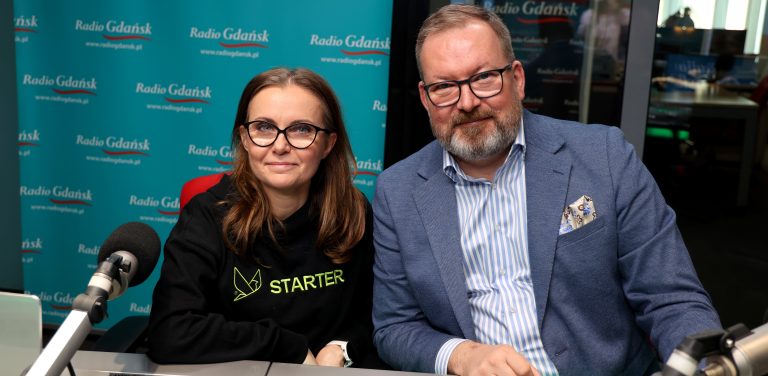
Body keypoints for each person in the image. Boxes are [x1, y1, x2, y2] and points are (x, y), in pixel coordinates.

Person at [371, 4, 721, 375]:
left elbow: (670, 297)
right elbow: (395, 327)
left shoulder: (605, 157)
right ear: (426, 98)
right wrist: (461, 355)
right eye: (444, 87)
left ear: (518, 78)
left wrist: (704, 365)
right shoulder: (398, 191)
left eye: (485, 77)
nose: (468, 102)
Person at [147, 67, 377, 368]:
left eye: (302, 129)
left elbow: (378, 316)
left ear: (328, 144)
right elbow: (170, 332)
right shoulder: (206, 216)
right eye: (264, 127)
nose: (280, 146)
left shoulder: (353, 211)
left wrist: (342, 348)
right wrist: (285, 347)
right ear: (244, 138)